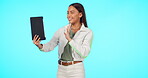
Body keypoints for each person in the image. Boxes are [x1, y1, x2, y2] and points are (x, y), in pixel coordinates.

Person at [33, 3, 93, 78]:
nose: (68, 15)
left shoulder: (87, 32)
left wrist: (70, 40)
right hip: (61, 69)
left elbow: (84, 53)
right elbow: (50, 46)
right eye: (67, 13)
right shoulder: (61, 30)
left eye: (72, 12)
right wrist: (39, 45)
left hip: (77, 70)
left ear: (80, 14)